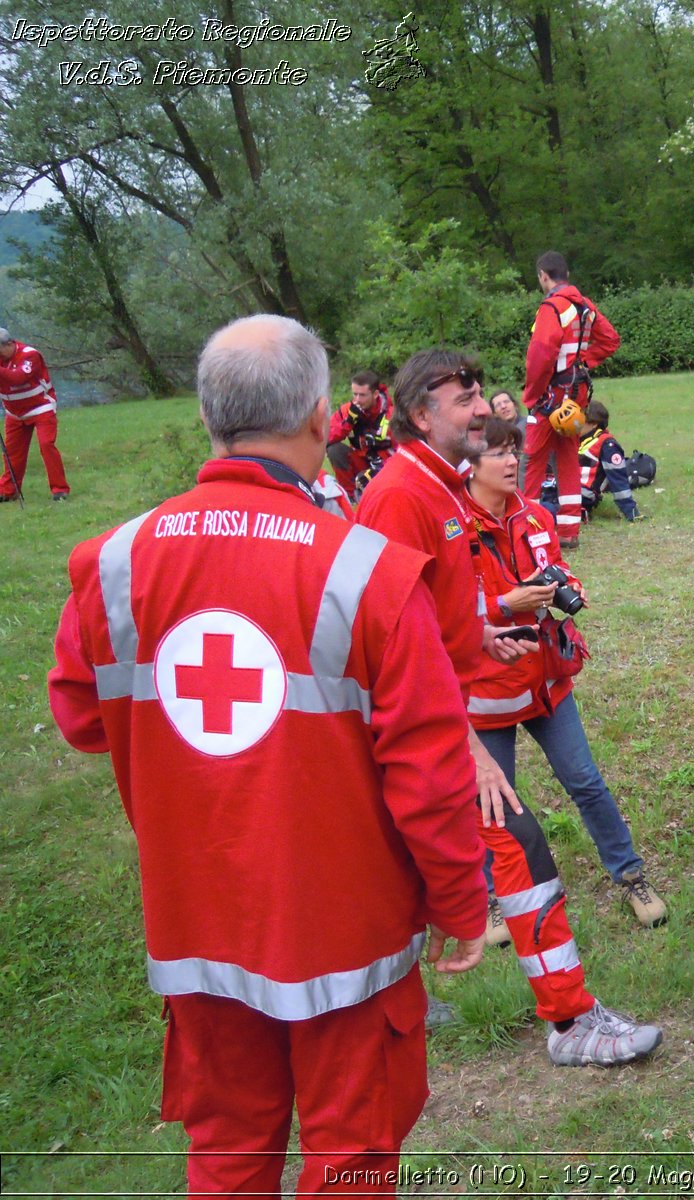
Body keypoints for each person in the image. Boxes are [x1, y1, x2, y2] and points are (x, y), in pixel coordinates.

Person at [46, 314, 488, 1195]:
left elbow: (83, 720)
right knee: (352, 1161)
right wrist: (460, 904)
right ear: (323, 416)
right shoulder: (370, 572)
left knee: (226, 1156)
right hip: (345, 940)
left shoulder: (113, 564)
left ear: (212, 417)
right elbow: (430, 774)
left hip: (198, 928)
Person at [358, 347, 661, 1066]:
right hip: (435, 724)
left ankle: (392, 1000)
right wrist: (463, 741)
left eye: (478, 394)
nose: (482, 409)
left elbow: (432, 613)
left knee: (414, 854)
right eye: (462, 398)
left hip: (486, 696)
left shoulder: (440, 490)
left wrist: (480, 636)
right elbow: (384, 638)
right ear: (419, 412)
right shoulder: (405, 494)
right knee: (512, 847)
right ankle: (569, 1023)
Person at [465, 417, 668, 929]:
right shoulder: (451, 527)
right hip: (486, 689)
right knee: (494, 800)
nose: (513, 461)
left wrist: (564, 587)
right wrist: (504, 605)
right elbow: (444, 610)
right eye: (499, 454)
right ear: (470, 463)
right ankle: (492, 898)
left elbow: (554, 565)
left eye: (515, 450)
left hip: (546, 678)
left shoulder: (536, 516)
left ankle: (629, 875)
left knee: (585, 781)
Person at [522, 251, 620, 549]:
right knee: (567, 459)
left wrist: (532, 394)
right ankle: (568, 531)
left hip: (549, 396)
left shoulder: (552, 308)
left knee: (532, 460)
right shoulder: (585, 306)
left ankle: (528, 529)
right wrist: (583, 363)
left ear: (543, 275)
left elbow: (540, 353)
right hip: (574, 396)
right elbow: (610, 340)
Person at [0, 327, 70, 502]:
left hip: (40, 408)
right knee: (12, 452)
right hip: (14, 413)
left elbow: (18, 378)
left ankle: (59, 489)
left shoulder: (30, 355)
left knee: (46, 445)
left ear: (9, 344)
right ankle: (8, 490)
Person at [326, 371, 393, 501]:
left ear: (375, 394)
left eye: (362, 395)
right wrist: (348, 423)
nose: (357, 400)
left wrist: (378, 470)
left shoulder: (392, 415)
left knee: (367, 478)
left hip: (386, 469)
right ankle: (351, 498)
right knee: (335, 450)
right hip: (361, 462)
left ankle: (368, 496)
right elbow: (325, 438)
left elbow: (403, 452)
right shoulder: (348, 410)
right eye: (355, 394)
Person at [577, 400, 645, 523]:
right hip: (567, 488)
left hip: (583, 494)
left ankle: (578, 512)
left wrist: (632, 512)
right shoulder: (578, 439)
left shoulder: (608, 446)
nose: (575, 424)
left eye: (579, 420)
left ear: (593, 424)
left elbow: (619, 481)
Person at [489, 389, 529, 490]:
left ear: (514, 405)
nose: (503, 406)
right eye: (498, 405)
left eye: (506, 402)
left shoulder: (528, 424)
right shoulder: (496, 436)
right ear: (494, 414)